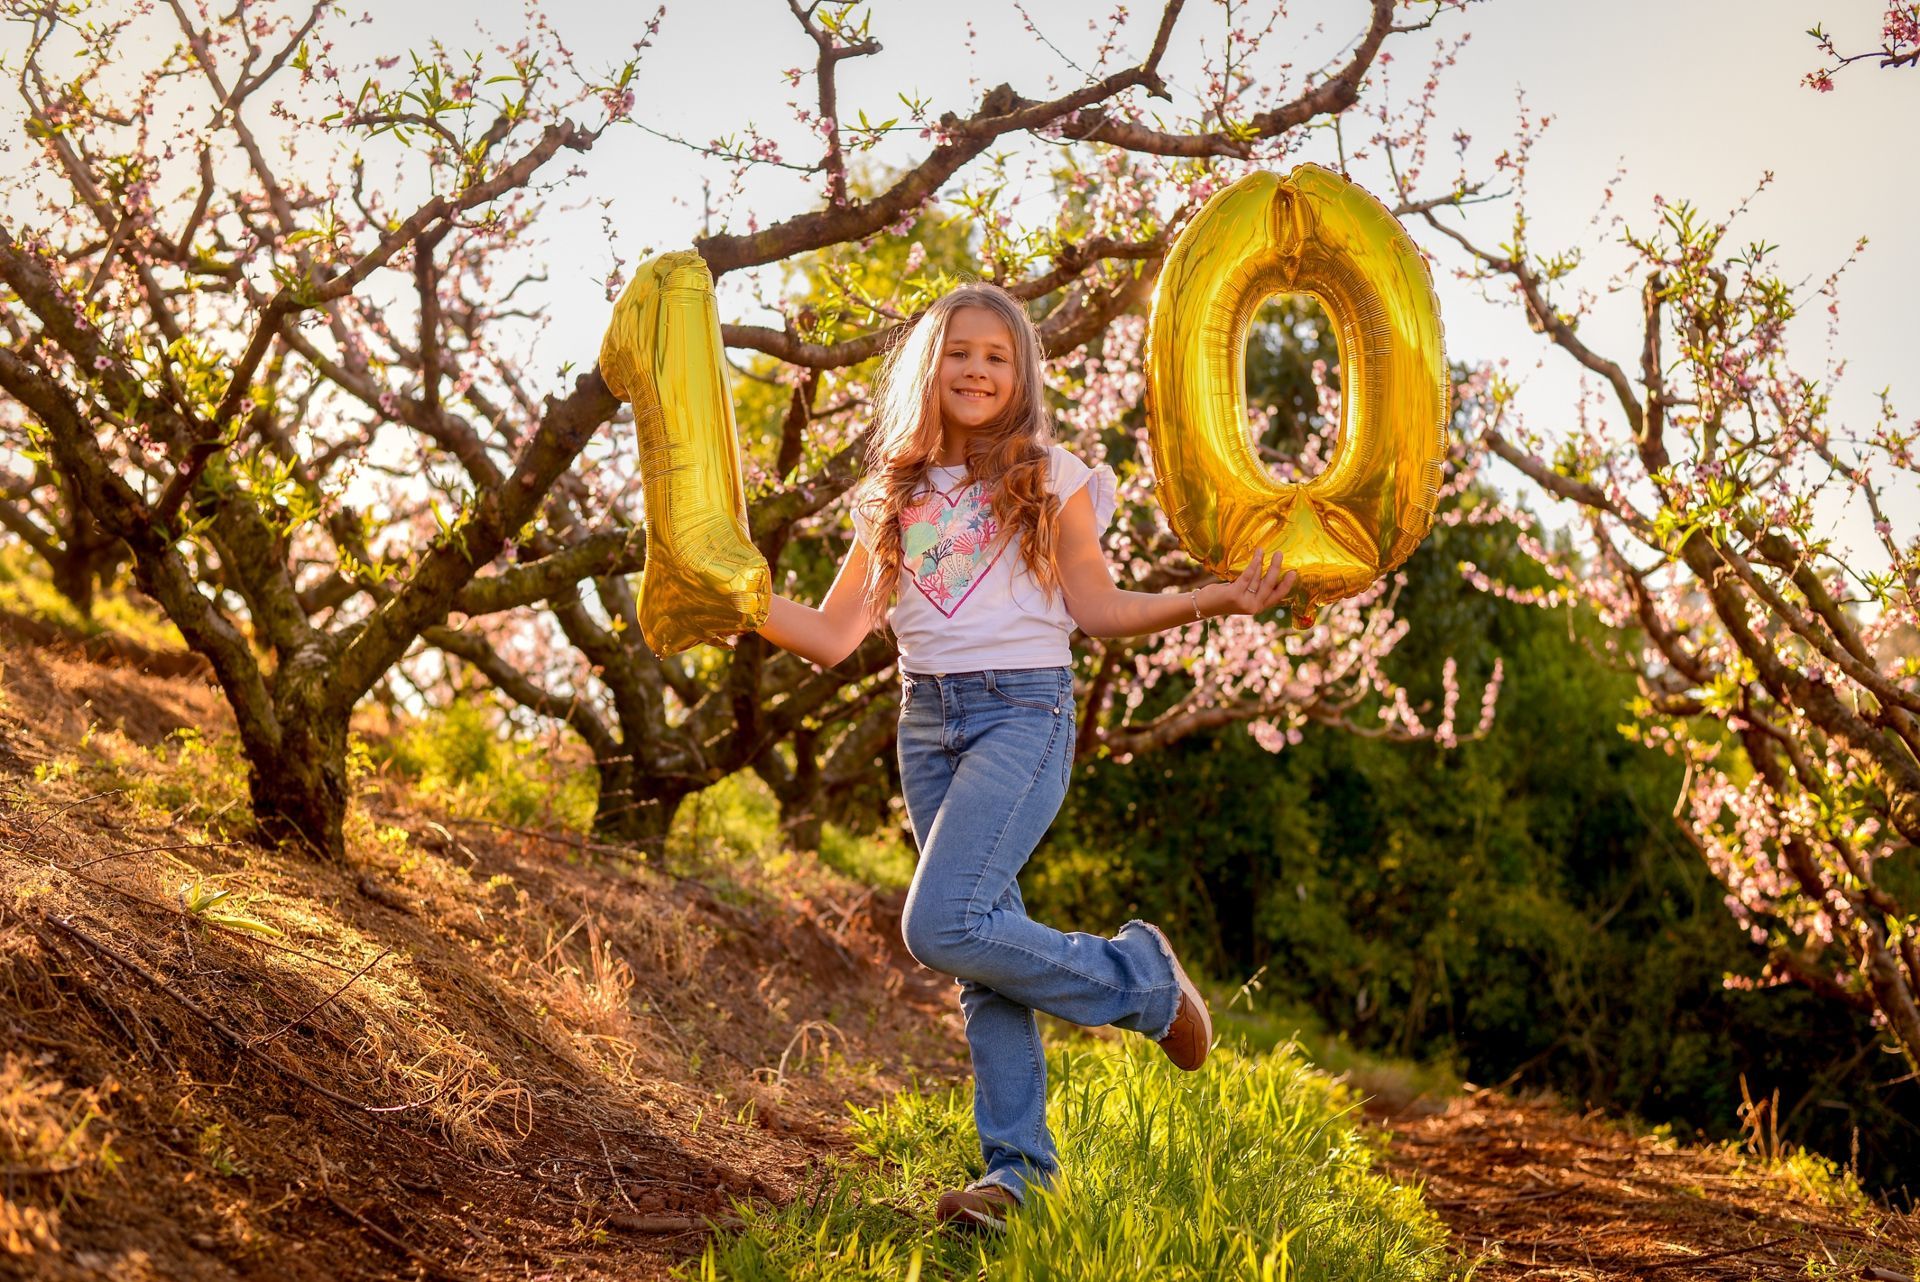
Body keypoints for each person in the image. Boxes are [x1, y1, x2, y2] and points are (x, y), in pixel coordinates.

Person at [751, 282, 1297, 1233]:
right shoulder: (894, 493)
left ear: (1021, 375)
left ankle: (1143, 983)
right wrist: (734, 604)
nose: (975, 369)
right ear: (929, 367)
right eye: (958, 352)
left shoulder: (1050, 475)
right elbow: (837, 635)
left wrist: (1213, 600)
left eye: (996, 356)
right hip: (927, 722)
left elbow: (1099, 608)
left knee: (941, 924)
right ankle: (1017, 1182)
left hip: (1024, 711)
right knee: (978, 951)